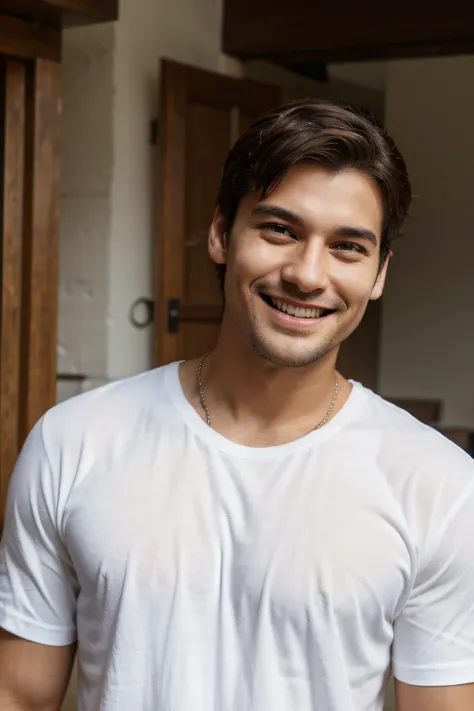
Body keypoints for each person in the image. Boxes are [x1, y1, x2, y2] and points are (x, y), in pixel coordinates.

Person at [0, 100, 473, 711]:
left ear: (379, 273)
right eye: (280, 229)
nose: (307, 274)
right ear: (222, 233)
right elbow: (17, 692)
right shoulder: (74, 441)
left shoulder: (440, 484)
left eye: (347, 247)